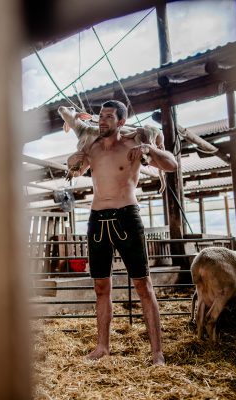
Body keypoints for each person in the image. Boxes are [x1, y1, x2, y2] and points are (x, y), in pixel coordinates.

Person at [67, 100, 177, 365]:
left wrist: (150, 149)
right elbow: (75, 170)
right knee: (100, 286)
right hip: (97, 220)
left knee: (143, 285)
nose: (102, 120)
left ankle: (157, 353)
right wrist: (71, 163)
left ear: (121, 122)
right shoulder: (91, 147)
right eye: (101, 115)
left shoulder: (134, 144)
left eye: (109, 116)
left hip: (126, 215)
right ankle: (102, 347)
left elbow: (172, 164)